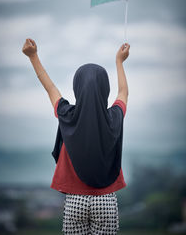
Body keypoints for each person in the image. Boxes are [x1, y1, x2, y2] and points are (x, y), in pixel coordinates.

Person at [22, 38, 130, 234]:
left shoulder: (66, 114)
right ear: (105, 89)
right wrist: (119, 62)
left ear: (76, 88)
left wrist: (33, 56)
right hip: (105, 201)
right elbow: (124, 92)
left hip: (75, 201)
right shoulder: (115, 117)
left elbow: (50, 88)